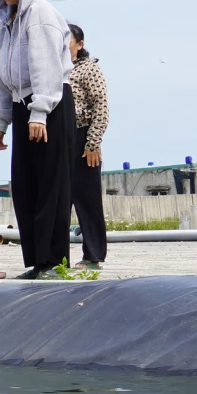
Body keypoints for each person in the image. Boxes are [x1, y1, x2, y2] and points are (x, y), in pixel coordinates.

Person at [0, 0, 75, 279]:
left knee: (52, 184)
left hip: (49, 104)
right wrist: (0, 121)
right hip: (24, 106)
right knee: (25, 185)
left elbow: (46, 67)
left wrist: (40, 113)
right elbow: (1, 76)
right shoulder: (4, 25)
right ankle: (37, 262)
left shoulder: (41, 14)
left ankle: (54, 262)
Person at [67, 23, 110, 268]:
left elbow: (101, 108)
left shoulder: (88, 70)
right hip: (58, 137)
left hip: (82, 137)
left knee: (87, 198)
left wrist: (92, 142)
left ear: (79, 44)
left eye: (67, 39)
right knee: (59, 199)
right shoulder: (55, 70)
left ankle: (93, 255)